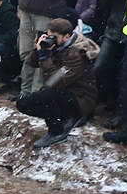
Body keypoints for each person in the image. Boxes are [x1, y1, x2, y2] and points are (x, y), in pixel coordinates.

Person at [19, 17, 97, 148]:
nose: (51, 40)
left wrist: (45, 57)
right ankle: (63, 118)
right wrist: (38, 50)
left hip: (81, 98)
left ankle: (56, 132)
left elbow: (55, 82)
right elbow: (32, 63)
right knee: (23, 104)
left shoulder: (76, 53)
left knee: (48, 94)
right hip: (62, 92)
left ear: (66, 37)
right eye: (49, 36)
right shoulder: (58, 46)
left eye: (54, 37)